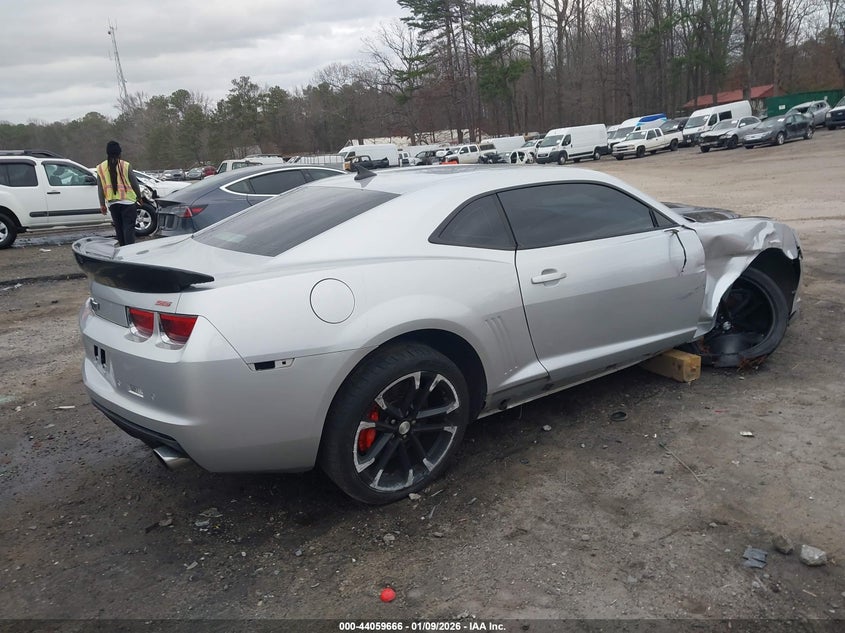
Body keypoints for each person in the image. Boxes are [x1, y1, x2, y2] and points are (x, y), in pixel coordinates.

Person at [96, 141, 145, 246]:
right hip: (128, 203)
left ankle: (122, 250)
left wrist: (102, 204)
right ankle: (129, 250)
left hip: (112, 204)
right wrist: (139, 197)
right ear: (119, 153)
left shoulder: (100, 168)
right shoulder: (125, 165)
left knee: (119, 229)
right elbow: (134, 184)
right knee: (128, 228)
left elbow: (100, 188)